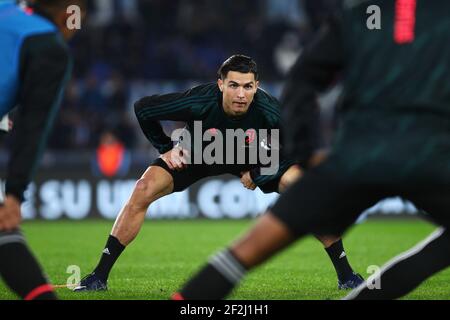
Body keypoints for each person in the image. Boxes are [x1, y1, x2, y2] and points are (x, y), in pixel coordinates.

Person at [173, 0, 450, 300]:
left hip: (354, 158)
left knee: (244, 252)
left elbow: (302, 80)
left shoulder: (357, 18)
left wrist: (305, 153)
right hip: (428, 158)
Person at [74, 54, 363, 292]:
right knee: (143, 188)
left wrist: (259, 171)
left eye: (248, 87)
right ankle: (99, 277)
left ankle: (347, 276)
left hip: (254, 157)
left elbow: (295, 147)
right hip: (198, 154)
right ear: (220, 84)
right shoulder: (199, 101)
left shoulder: (272, 111)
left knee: (303, 191)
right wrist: (166, 148)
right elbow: (144, 108)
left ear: (257, 86)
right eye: (234, 85)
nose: (241, 94)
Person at [0, 0, 85, 300]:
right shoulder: (49, 45)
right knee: (4, 230)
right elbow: (32, 126)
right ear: (68, 14)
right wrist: (14, 194)